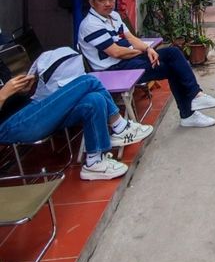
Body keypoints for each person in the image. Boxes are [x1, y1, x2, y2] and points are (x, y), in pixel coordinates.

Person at [78, 0, 215, 128]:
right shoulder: (91, 24)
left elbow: (131, 38)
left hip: (127, 61)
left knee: (173, 56)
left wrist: (148, 49)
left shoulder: (114, 16)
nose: (108, 3)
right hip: (113, 71)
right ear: (92, 2)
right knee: (173, 65)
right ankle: (192, 104)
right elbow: (116, 52)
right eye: (102, 0)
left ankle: (193, 104)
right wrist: (141, 51)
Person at [0, 70, 152, 181]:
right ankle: (120, 127)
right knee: (88, 81)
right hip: (11, 125)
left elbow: (12, 98)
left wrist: (22, 90)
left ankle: (94, 162)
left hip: (32, 108)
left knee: (94, 99)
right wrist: (3, 94)